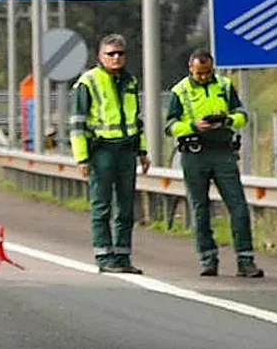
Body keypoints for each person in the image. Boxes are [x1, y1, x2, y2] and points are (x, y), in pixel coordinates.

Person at [165, 48, 263, 278]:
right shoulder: (180, 91)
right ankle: (208, 259)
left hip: (222, 153)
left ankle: (245, 260)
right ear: (191, 68)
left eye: (207, 72)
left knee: (238, 206)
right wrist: (193, 126)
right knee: (200, 209)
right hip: (194, 153)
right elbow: (169, 126)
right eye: (199, 73)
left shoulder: (224, 86)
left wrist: (228, 120)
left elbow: (242, 114)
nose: (203, 77)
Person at [68, 33, 151, 273]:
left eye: (120, 53)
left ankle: (123, 257)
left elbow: (136, 119)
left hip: (126, 150)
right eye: (110, 54)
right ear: (100, 56)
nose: (116, 58)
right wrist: (82, 158)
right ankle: (104, 256)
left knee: (126, 207)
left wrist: (142, 151)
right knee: (102, 206)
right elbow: (77, 123)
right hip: (101, 150)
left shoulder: (130, 81)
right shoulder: (88, 82)